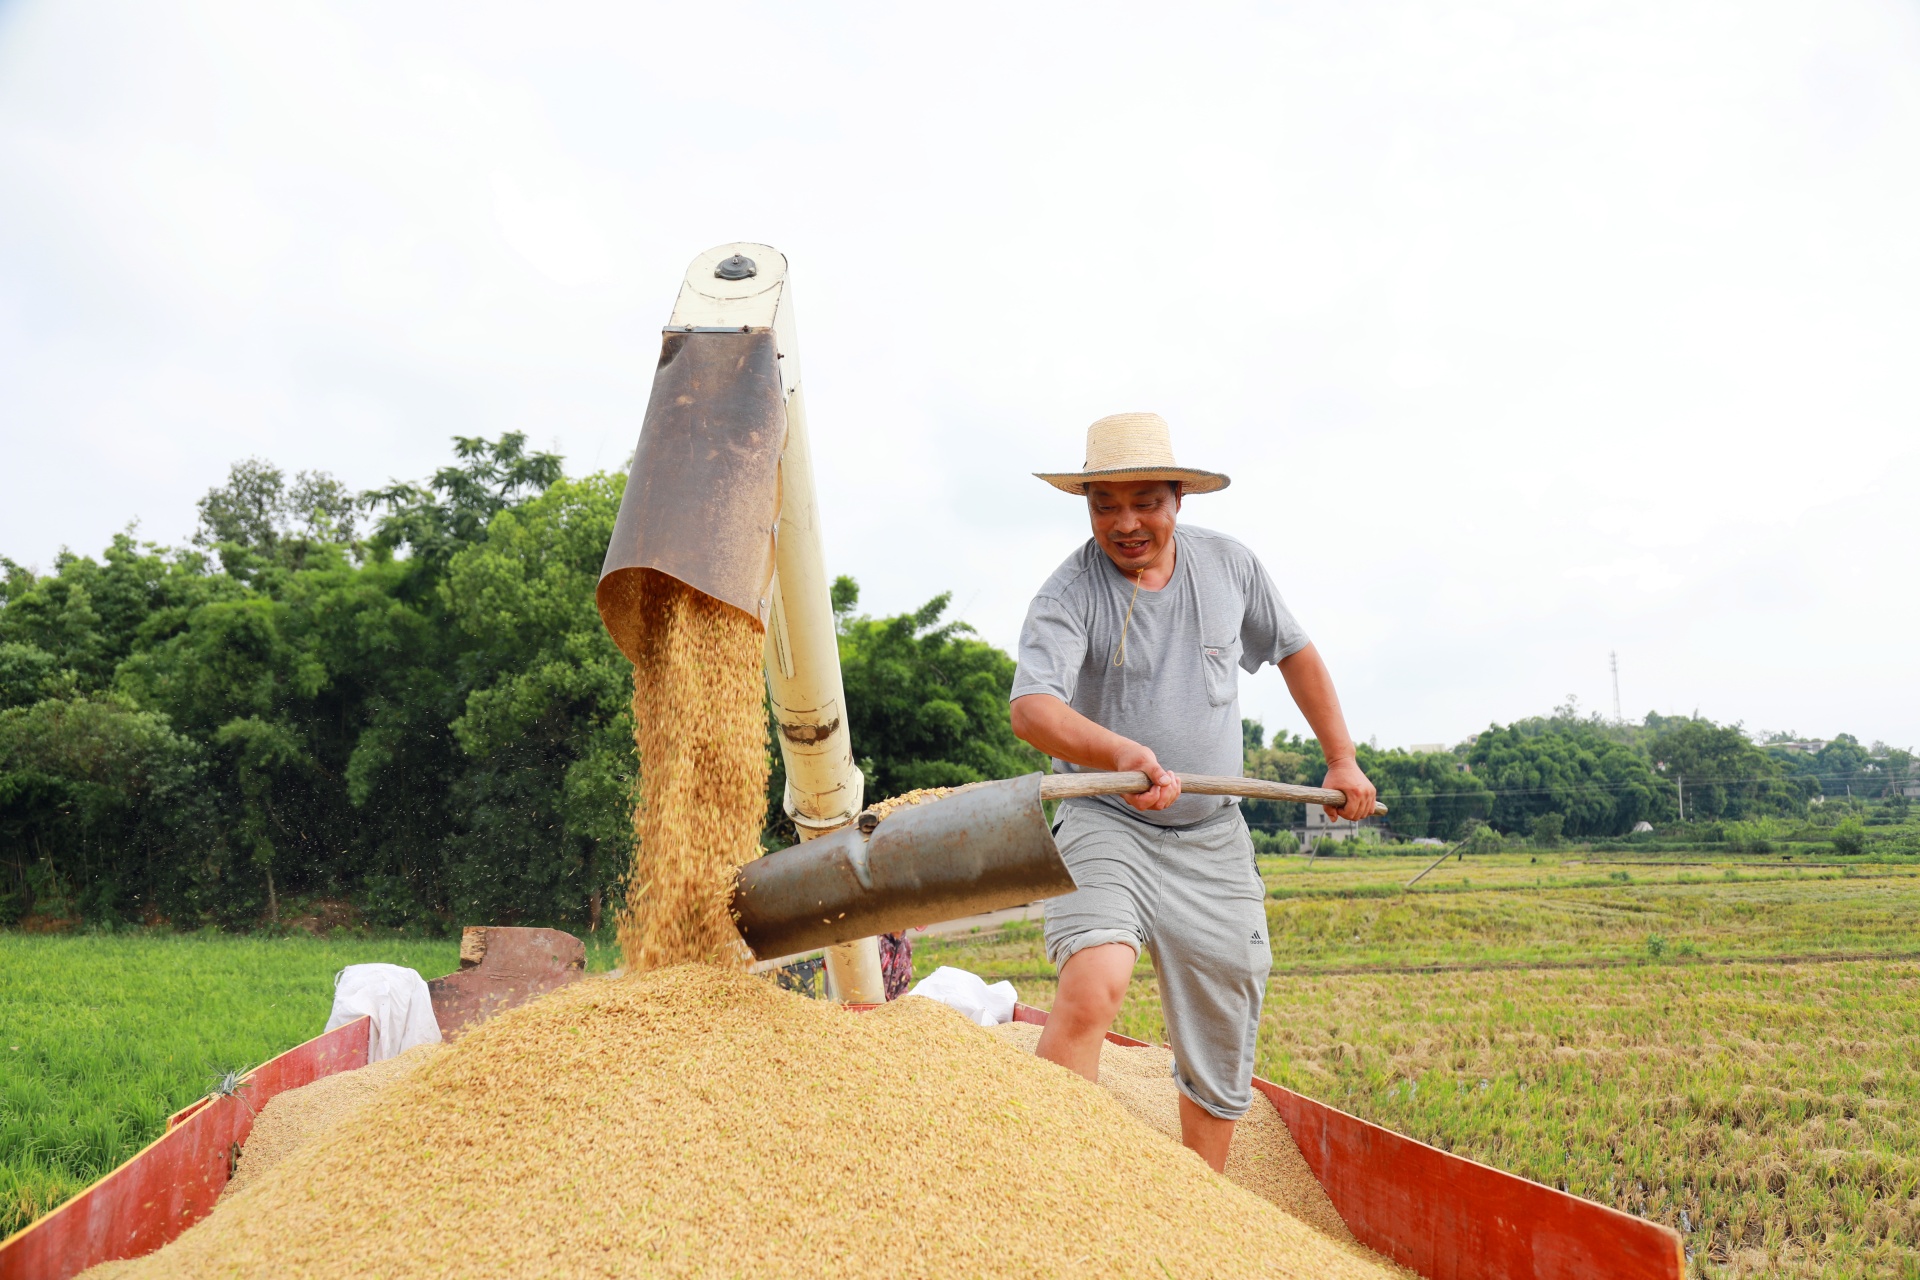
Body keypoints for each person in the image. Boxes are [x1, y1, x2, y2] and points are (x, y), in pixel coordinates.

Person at [1008, 411, 1377, 1172]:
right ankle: (1047, 1182)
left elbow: (1296, 652)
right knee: (1094, 981)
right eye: (1105, 504)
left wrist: (1341, 760)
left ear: (1179, 498)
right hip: (1104, 819)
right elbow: (1032, 709)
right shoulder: (1069, 593)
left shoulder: (1229, 567)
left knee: (1223, 1017)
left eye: (1145, 500)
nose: (1125, 522)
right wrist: (1118, 752)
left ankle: (1199, 1200)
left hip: (1212, 837)